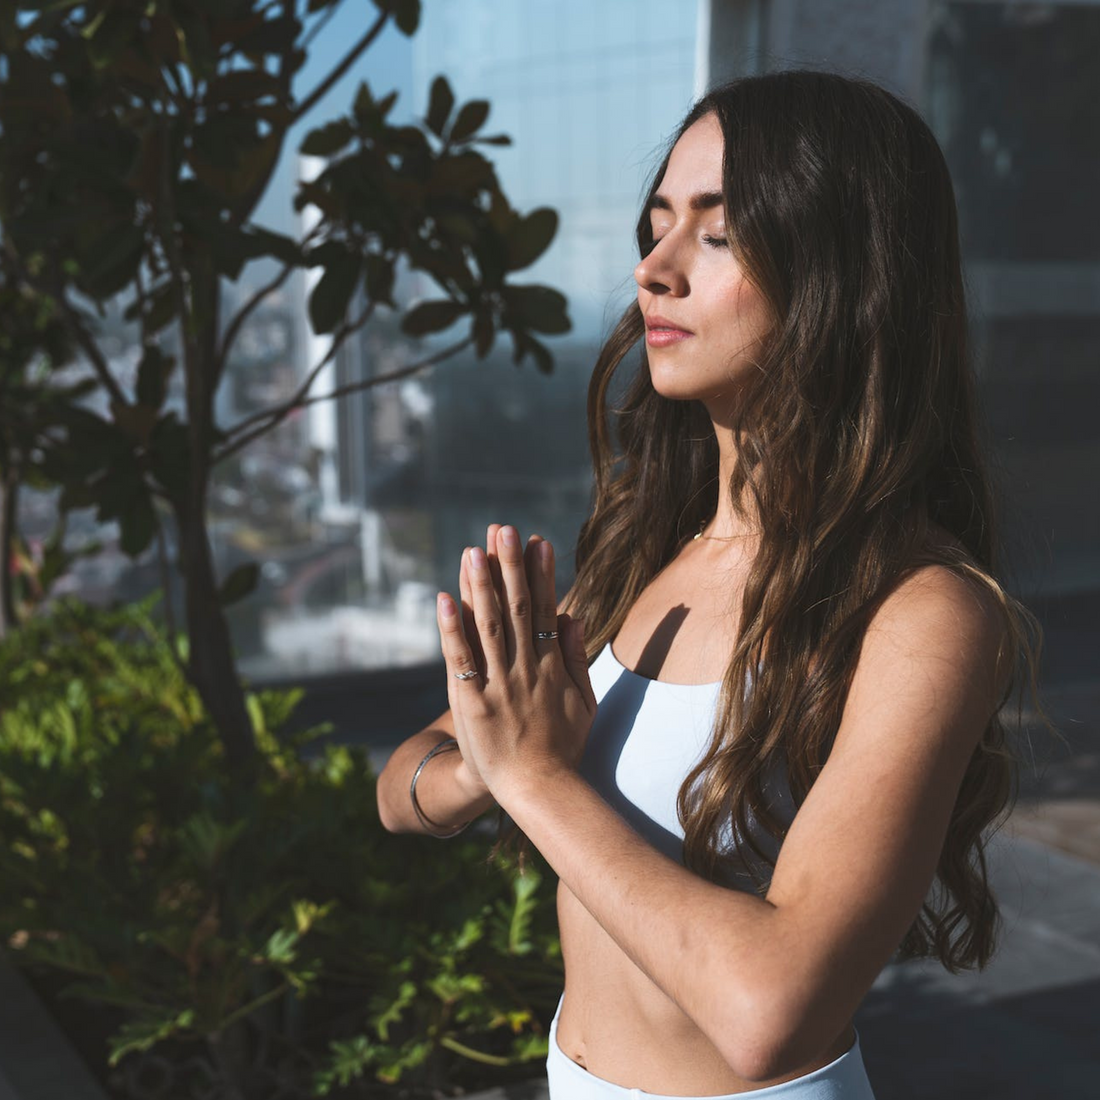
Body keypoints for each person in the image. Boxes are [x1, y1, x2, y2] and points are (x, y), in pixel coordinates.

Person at [377, 69, 1050, 1099]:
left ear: (843, 274)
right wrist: (482, 764)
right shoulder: (644, 553)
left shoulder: (920, 612)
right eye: (656, 225)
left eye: (718, 232)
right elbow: (402, 784)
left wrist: (534, 778)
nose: (653, 268)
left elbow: (768, 1011)